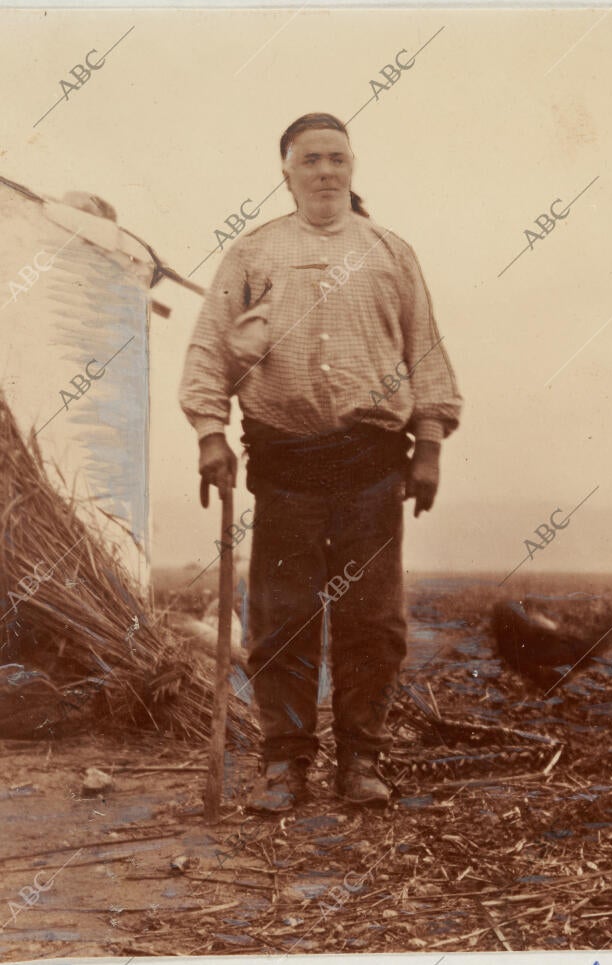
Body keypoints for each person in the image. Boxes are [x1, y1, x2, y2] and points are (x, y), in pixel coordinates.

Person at [179, 112, 462, 812]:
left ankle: (361, 760)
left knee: (373, 619)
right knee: (283, 618)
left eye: (338, 158)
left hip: (373, 464)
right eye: (311, 160)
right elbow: (209, 349)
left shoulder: (390, 253)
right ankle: (285, 764)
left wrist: (428, 445)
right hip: (286, 466)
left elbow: (425, 351)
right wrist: (211, 434)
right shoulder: (253, 255)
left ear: (353, 166)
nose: (326, 171)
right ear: (286, 172)